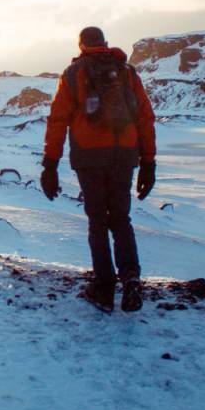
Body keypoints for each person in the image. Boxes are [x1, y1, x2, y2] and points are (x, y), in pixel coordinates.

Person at [41, 26, 157, 313]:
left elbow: (57, 121)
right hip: (124, 155)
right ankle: (130, 279)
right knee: (121, 218)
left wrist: (50, 165)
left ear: (81, 45)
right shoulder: (127, 72)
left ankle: (104, 287)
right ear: (104, 43)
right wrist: (148, 163)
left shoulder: (73, 74)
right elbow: (144, 118)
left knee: (97, 220)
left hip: (89, 156)